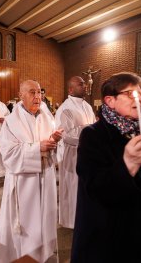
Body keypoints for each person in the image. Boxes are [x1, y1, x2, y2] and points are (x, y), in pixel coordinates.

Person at [71, 72, 141, 262]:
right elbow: (95, 189)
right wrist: (127, 165)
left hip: (135, 230)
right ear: (110, 101)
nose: (139, 98)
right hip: (107, 237)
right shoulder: (93, 135)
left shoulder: (133, 131)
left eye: (140, 93)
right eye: (130, 93)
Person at [0, 80, 63, 263]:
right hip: (24, 182)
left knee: (45, 220)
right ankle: (24, 257)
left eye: (39, 92)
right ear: (21, 95)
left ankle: (44, 254)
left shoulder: (48, 117)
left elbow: (56, 150)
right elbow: (8, 155)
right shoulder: (11, 121)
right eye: (32, 92)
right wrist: (38, 148)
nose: (38, 96)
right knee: (26, 226)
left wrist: (54, 141)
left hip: (46, 178)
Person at [55, 76, 96, 229]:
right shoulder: (65, 108)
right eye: (81, 84)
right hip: (72, 155)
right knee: (72, 188)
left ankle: (85, 216)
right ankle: (71, 221)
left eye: (84, 84)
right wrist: (89, 130)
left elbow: (91, 128)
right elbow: (66, 135)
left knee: (85, 186)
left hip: (87, 152)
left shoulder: (87, 105)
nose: (84, 86)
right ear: (71, 89)